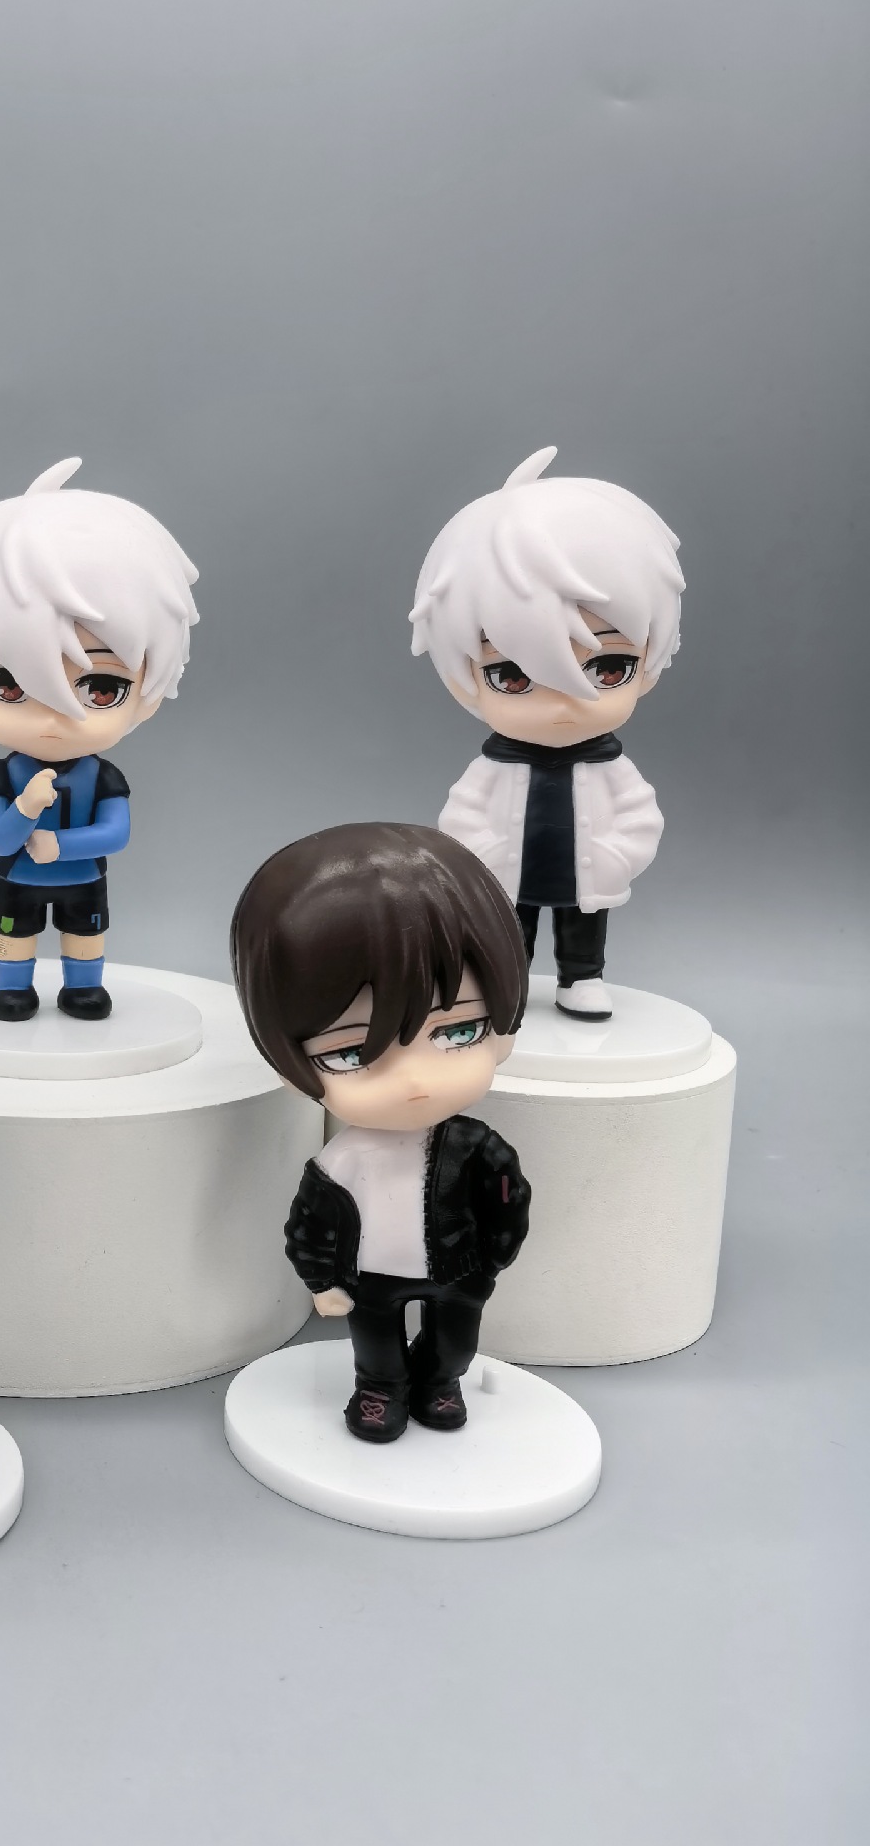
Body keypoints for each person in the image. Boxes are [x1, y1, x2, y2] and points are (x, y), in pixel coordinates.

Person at [231, 823, 531, 1444]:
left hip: (459, 1271)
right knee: (375, 1347)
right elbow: (310, 1223)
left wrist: (492, 1261)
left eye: (458, 1032)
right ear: (288, 1066)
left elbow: (509, 1204)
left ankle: (439, 1382)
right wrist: (321, 1281)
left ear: (503, 1031)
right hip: (369, 1276)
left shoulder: (478, 1150)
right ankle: (379, 1391)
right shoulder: (342, 1160)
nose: (414, 1081)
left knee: (456, 1345)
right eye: (351, 1054)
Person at [0, 458, 200, 1021]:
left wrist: (60, 847)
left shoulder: (104, 776)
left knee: (85, 938)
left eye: (101, 689)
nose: (52, 717)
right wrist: (25, 809)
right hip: (17, 879)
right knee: (13, 938)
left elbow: (117, 832)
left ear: (148, 693)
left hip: (82, 878)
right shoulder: (2, 777)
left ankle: (82, 989)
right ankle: (13, 991)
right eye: (8, 684)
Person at [410, 447, 684, 1018]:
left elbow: (641, 816)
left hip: (588, 871)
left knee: (585, 923)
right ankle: (506, 981)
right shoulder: (493, 768)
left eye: (609, 669)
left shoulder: (611, 769)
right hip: (507, 872)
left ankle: (581, 977)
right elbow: (460, 816)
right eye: (512, 676)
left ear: (649, 666)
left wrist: (616, 854)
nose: (563, 701)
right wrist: (481, 855)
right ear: (464, 679)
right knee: (508, 928)